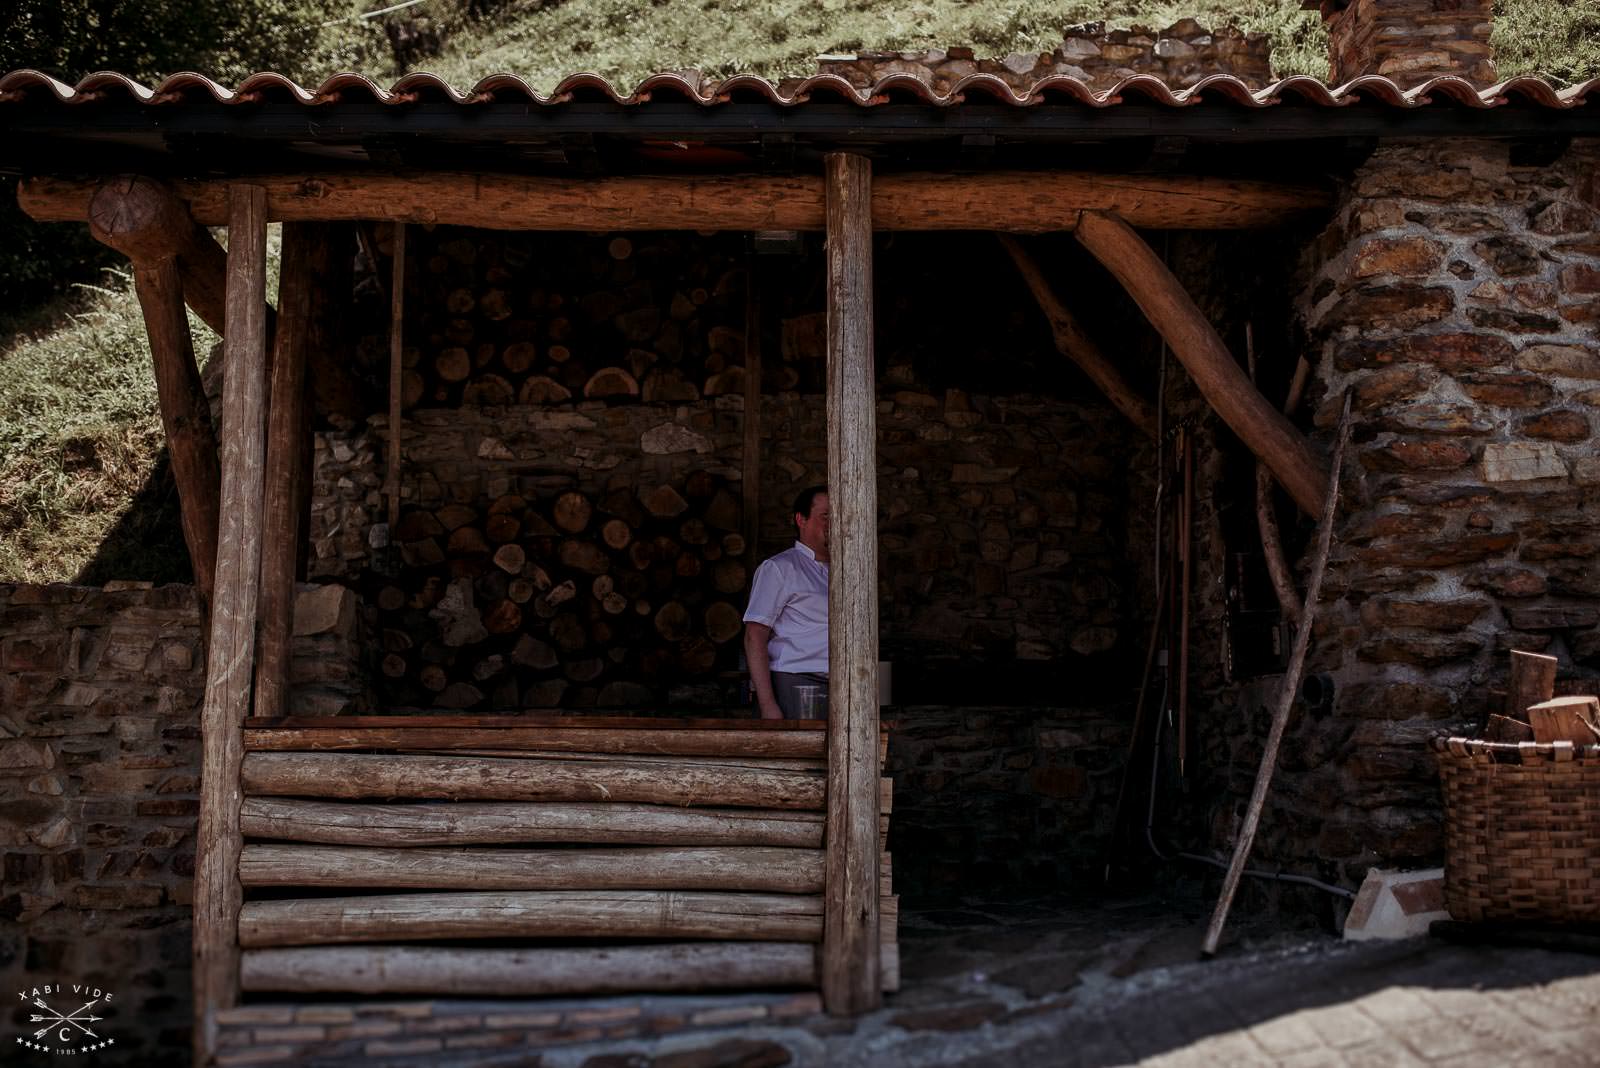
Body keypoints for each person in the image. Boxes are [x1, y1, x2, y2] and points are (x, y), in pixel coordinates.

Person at [743, 486, 829, 719]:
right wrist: (768, 705)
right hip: (795, 683)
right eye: (826, 516)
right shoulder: (780, 568)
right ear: (801, 519)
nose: (834, 522)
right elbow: (755, 635)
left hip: (843, 685)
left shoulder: (844, 571)